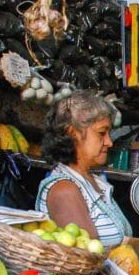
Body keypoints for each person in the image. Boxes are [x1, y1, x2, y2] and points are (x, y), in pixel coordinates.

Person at [36, 91, 132, 249]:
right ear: (73, 134)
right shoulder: (64, 190)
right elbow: (87, 259)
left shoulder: (94, 181)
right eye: (101, 133)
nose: (109, 142)